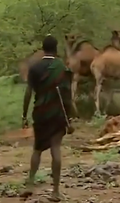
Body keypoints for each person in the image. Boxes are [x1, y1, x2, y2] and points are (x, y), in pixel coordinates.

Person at [21, 35, 75, 201]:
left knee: (37, 149)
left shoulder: (35, 67)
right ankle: (56, 191)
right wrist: (71, 117)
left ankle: (30, 183)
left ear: (43, 48)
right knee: (55, 148)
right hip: (58, 114)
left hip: (41, 112)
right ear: (56, 48)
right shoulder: (62, 67)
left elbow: (29, 92)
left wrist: (24, 115)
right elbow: (67, 95)